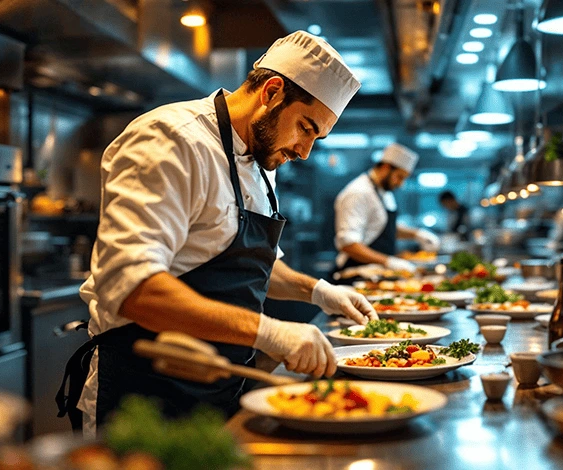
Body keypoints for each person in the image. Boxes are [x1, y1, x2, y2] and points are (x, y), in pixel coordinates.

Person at [56, 31, 378, 436]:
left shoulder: (263, 164)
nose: (305, 150)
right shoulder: (170, 141)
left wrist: (318, 291)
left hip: (223, 390)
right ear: (272, 92)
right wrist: (269, 332)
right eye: (306, 128)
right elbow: (132, 287)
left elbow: (246, 262)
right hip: (146, 395)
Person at [333, 143, 441, 274]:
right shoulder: (358, 193)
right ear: (385, 168)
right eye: (400, 177)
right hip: (354, 274)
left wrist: (417, 234)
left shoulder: (384, 193)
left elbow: (381, 228)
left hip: (378, 273)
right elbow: (348, 244)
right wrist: (388, 262)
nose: (401, 184)